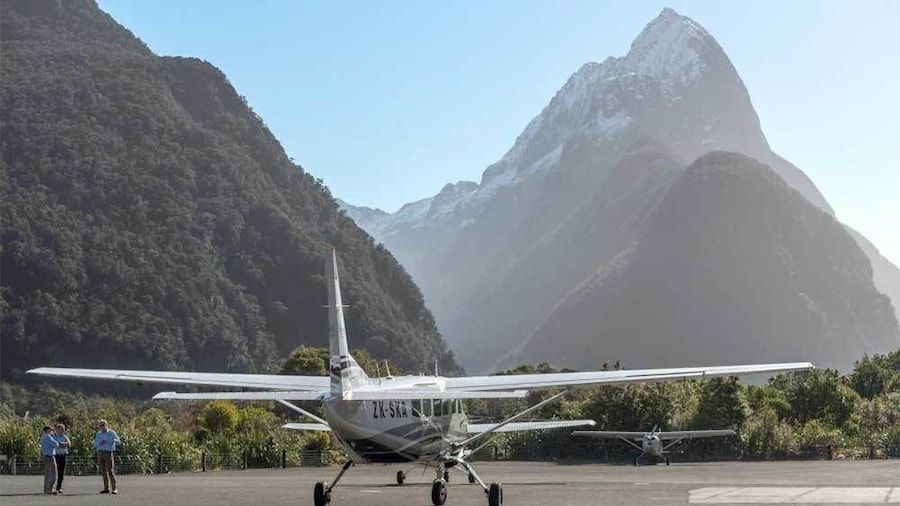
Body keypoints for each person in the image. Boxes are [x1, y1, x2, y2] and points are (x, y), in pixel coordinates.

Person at [92, 419, 121, 494]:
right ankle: (106, 488)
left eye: (103, 425)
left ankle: (114, 488)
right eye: (100, 425)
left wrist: (111, 440)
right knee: (103, 471)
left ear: (106, 425)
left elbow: (118, 442)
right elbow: (94, 444)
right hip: (100, 452)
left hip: (108, 452)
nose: (102, 426)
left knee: (110, 470)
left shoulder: (111, 432)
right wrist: (99, 443)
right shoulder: (98, 434)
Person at [52, 423, 71, 494]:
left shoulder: (65, 436)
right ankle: (52, 487)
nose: (62, 431)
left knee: (61, 472)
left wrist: (61, 444)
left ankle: (59, 487)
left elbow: (69, 444)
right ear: (57, 430)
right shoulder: (53, 437)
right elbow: (54, 445)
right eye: (61, 429)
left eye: (63, 429)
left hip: (63, 455)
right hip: (56, 456)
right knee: (55, 472)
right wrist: (62, 445)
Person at [40, 425, 59, 495]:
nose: (52, 431)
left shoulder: (43, 437)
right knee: (53, 473)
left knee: (47, 473)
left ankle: (46, 489)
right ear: (47, 430)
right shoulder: (48, 437)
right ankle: (50, 489)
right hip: (50, 456)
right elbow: (55, 444)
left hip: (45, 456)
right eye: (51, 430)